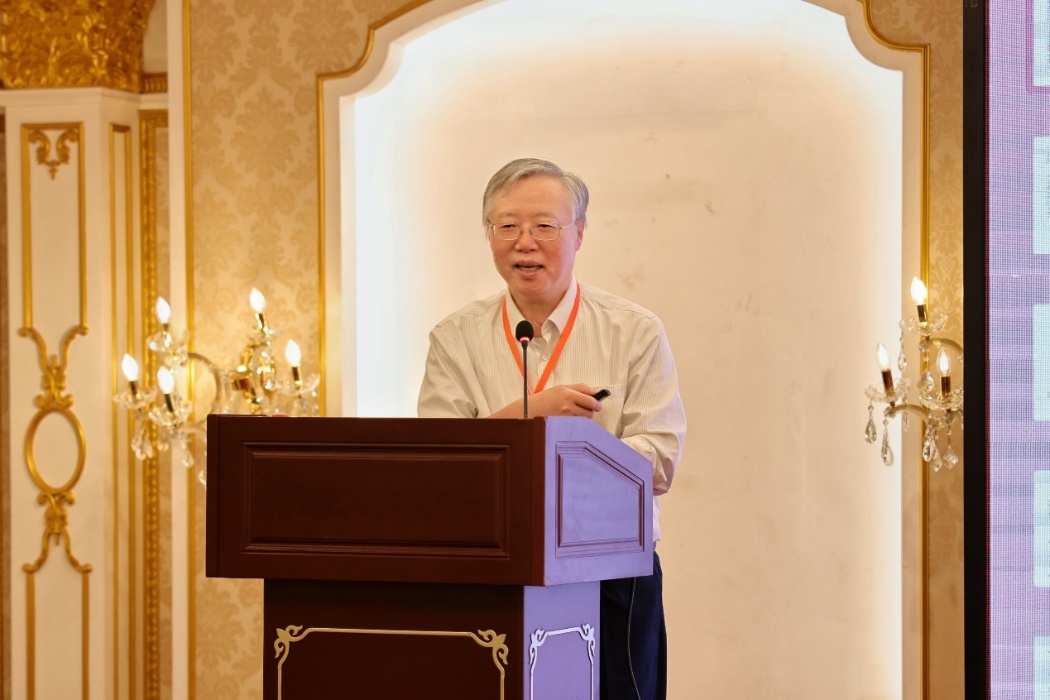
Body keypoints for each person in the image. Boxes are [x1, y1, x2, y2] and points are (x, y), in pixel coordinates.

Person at [417, 157, 686, 700]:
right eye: (507, 226)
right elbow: (439, 462)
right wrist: (529, 414)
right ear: (489, 234)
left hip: (610, 571)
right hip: (493, 567)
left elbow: (658, 461)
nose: (525, 242)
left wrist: (571, 449)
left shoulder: (634, 331)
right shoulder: (455, 337)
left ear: (579, 232)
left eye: (544, 225)